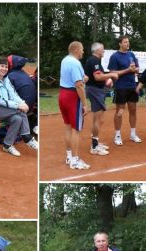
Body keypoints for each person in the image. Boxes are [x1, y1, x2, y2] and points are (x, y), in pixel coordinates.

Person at [0, 58, 38, 157]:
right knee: (19, 111)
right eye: (2, 66)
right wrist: (18, 106)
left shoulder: (5, 78)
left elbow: (13, 94)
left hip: (4, 110)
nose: (4, 68)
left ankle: (7, 145)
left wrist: (22, 103)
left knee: (17, 119)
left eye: (6, 66)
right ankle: (26, 137)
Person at [84, 42, 119, 156]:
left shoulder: (95, 61)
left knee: (99, 118)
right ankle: (94, 146)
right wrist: (111, 75)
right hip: (95, 90)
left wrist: (106, 81)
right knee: (98, 119)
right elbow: (97, 77)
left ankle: (96, 142)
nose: (104, 51)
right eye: (102, 49)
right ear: (97, 50)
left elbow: (99, 76)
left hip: (96, 89)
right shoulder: (94, 60)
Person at [59, 41, 89, 170]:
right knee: (76, 129)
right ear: (76, 50)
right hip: (73, 97)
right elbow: (78, 85)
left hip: (62, 94)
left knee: (68, 127)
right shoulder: (76, 63)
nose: (83, 51)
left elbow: (78, 79)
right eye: (82, 49)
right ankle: (75, 161)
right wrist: (85, 103)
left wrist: (83, 79)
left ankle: (69, 156)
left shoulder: (65, 60)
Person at [108, 35, 141, 146]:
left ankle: (133, 134)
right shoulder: (114, 57)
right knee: (120, 112)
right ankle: (117, 135)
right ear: (120, 43)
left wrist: (135, 69)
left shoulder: (131, 54)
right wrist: (127, 70)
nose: (128, 44)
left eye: (128, 42)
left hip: (132, 86)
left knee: (133, 110)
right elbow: (112, 73)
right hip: (120, 87)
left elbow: (137, 69)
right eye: (125, 42)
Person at [7, 54, 38, 133]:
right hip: (30, 106)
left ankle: (6, 128)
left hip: (23, 108)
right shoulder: (23, 73)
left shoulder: (11, 75)